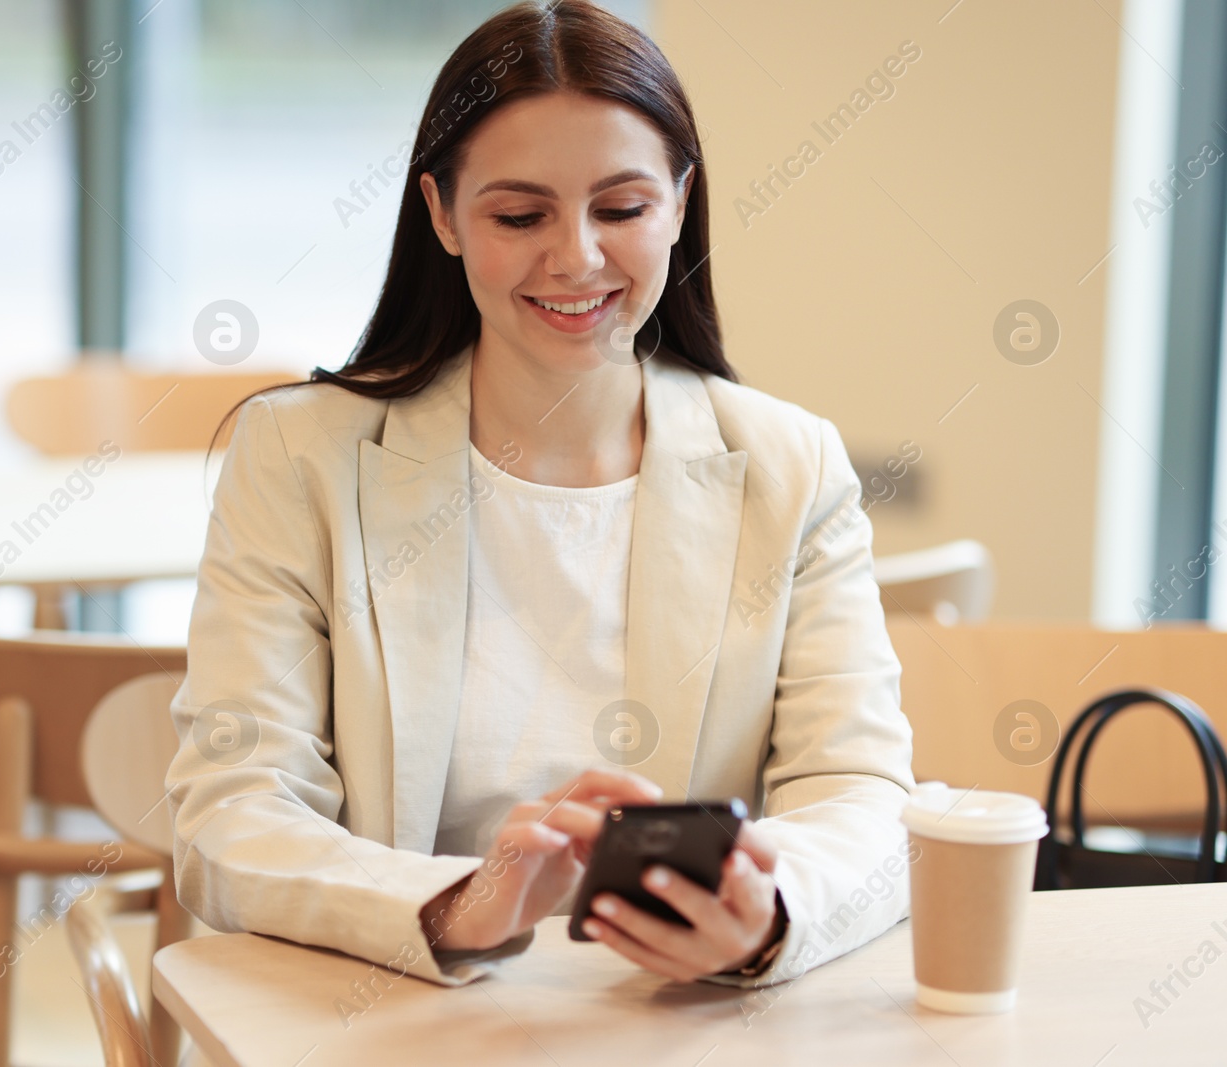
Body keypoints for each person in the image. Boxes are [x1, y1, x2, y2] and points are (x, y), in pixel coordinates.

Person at [165, 0, 915, 989]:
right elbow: (231, 808)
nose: (576, 258)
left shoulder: (791, 464)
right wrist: (453, 904)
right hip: (387, 1014)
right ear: (440, 212)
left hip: (672, 1021)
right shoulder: (298, 454)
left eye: (621, 209)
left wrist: (764, 917)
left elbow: (859, 793)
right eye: (519, 215)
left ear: (680, 202)